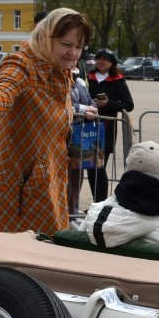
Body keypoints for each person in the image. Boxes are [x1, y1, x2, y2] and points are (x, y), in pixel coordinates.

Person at [0, 7, 91, 235]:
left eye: (79, 47)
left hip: (49, 183)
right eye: (66, 45)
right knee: (8, 259)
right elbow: (3, 95)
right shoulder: (21, 64)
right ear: (47, 38)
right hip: (18, 187)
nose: (73, 53)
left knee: (43, 258)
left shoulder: (60, 71)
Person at [86, 48, 133, 201]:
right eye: (98, 58)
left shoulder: (118, 79)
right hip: (87, 128)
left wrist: (108, 103)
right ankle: (96, 202)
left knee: (99, 167)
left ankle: (100, 202)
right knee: (91, 168)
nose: (100, 62)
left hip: (106, 129)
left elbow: (128, 104)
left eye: (104, 59)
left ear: (111, 62)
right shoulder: (89, 77)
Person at [67, 70, 98, 214]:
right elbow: (65, 104)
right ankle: (68, 210)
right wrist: (85, 109)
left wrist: (91, 109)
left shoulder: (79, 82)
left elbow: (91, 102)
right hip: (66, 132)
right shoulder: (62, 81)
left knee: (78, 171)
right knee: (68, 174)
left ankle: (75, 207)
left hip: (81, 130)